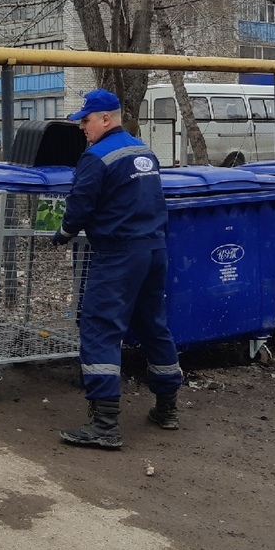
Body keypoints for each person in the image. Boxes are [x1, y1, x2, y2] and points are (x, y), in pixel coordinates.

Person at [51, 89, 183, 449]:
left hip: (119, 253)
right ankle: (167, 407)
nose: (82, 127)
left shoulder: (96, 156)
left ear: (105, 119)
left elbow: (80, 204)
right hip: (154, 249)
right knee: (154, 325)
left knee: (100, 327)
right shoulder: (144, 152)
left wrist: (62, 233)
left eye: (86, 120)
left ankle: (105, 425)